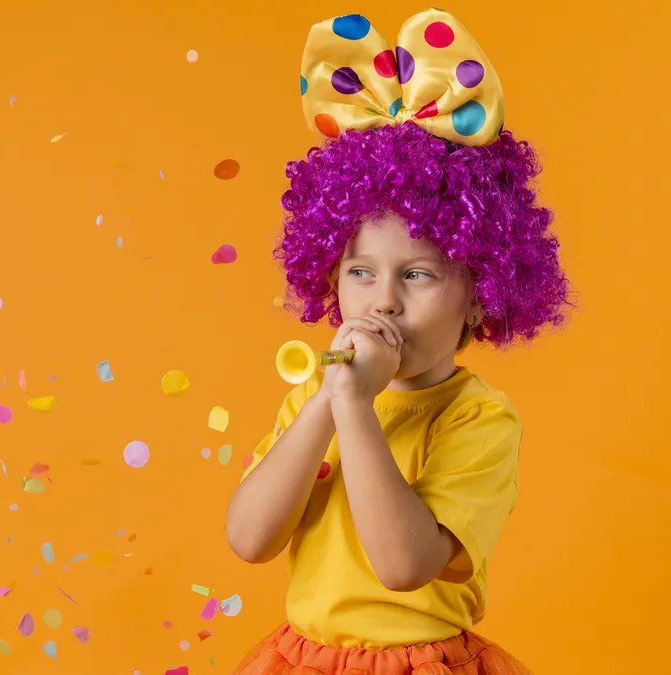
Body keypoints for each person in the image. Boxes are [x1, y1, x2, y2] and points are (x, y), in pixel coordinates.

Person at [225, 9, 572, 674]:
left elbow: (404, 563)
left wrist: (356, 407)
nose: (383, 299)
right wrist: (329, 402)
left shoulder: (477, 417)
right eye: (361, 271)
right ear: (331, 274)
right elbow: (248, 537)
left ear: (479, 293)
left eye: (417, 273)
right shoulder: (316, 395)